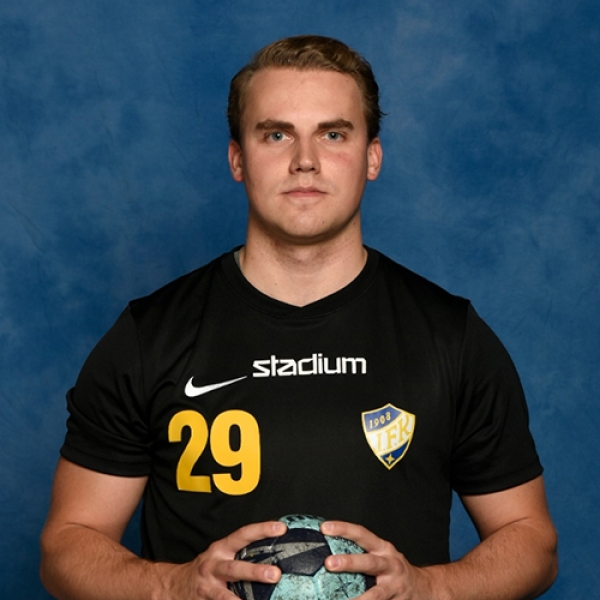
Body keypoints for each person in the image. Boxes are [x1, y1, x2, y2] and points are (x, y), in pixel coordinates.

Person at [40, 35, 558, 600]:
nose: (305, 160)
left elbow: (531, 541)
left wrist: (430, 588)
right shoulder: (150, 335)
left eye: (333, 134)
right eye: (276, 134)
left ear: (373, 157)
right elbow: (67, 546)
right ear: (238, 159)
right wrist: (173, 585)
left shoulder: (449, 335)